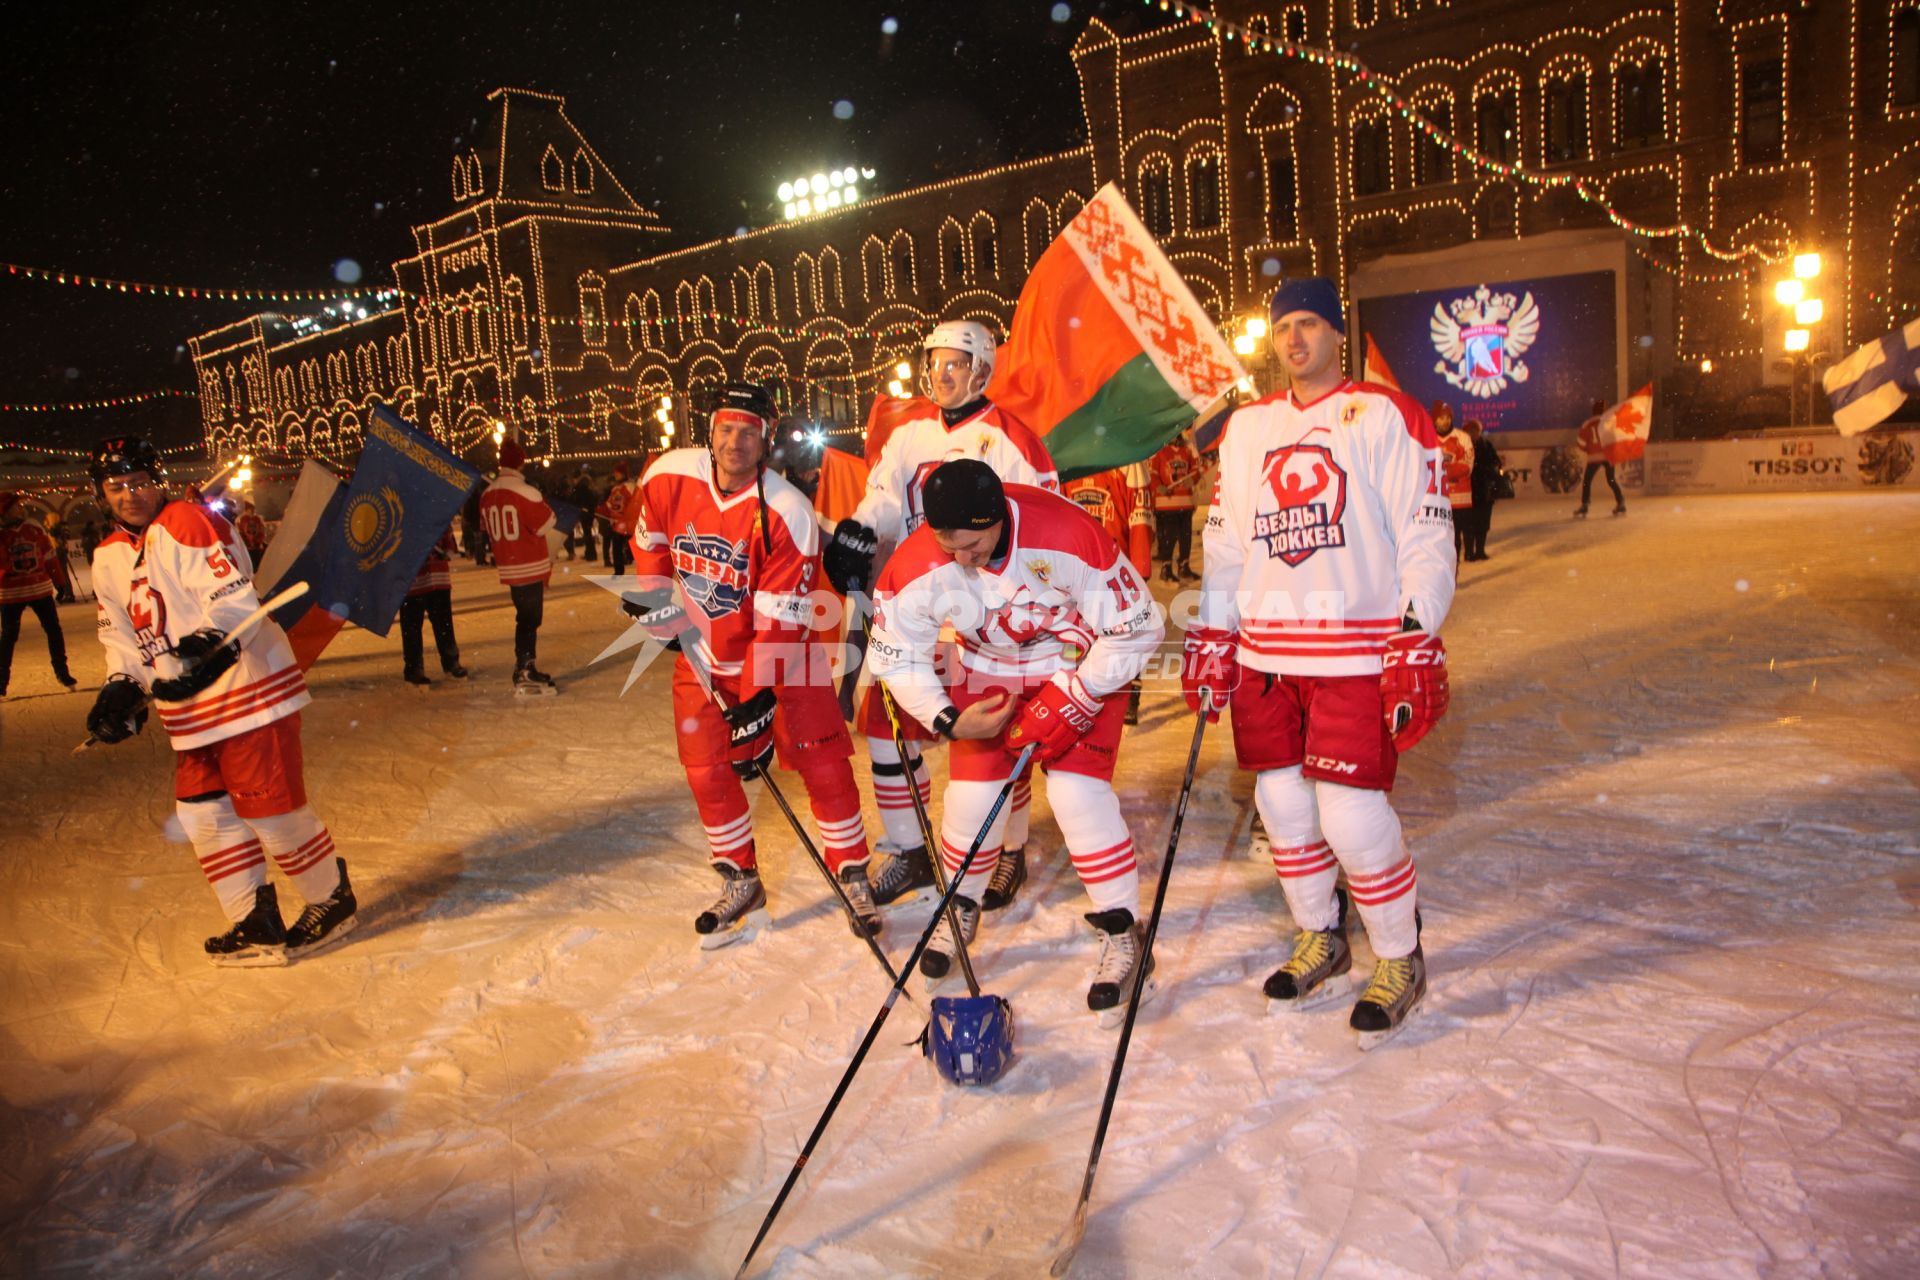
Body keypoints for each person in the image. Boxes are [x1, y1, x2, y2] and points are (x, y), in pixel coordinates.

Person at [1186, 278, 1454, 1048]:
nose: (1295, 339)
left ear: (1339, 332)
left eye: (1310, 324)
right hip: (1269, 653)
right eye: (1284, 327)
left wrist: (1415, 627)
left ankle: (1399, 954)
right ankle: (1320, 935)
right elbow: (1227, 542)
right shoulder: (1246, 429)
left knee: (1352, 814)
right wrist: (1213, 633)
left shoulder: (1385, 414)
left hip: (1356, 648)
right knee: (1284, 808)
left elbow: (1426, 530)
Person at [869, 460, 1164, 1021]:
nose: (961, 558)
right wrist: (948, 719)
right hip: (989, 668)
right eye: (947, 544)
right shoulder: (917, 563)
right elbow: (896, 656)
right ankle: (961, 903)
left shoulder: (1067, 533)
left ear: (999, 516)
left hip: (1078, 661)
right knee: (973, 799)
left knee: (1077, 797)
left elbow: (1139, 625)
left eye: (973, 544)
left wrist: (1079, 693)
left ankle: (1123, 927)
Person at [84, 436, 356, 966]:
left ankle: (332, 899)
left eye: (137, 483)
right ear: (101, 494)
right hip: (188, 713)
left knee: (273, 813)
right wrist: (122, 685)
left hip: (247, 692)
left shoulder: (187, 520)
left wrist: (211, 646)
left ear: (156, 482)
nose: (128, 495)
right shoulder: (107, 556)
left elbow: (232, 599)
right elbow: (120, 634)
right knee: (203, 817)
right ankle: (254, 920)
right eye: (115, 487)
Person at [624, 382, 879, 944]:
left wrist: (757, 699)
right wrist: (653, 600)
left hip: (785, 656)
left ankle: (852, 871)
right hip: (702, 653)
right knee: (706, 769)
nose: (735, 441)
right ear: (709, 431)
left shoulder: (786, 509)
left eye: (749, 431)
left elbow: (779, 618)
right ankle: (740, 875)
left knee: (822, 759)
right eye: (725, 428)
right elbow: (652, 543)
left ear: (765, 441)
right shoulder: (668, 476)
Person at [822, 321, 1059, 915]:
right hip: (916, 603)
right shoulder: (909, 433)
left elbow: (1042, 521)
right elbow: (881, 497)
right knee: (886, 731)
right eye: (935, 363)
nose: (941, 374)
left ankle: (1008, 846)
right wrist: (858, 529)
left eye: (954, 363)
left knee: (998, 732)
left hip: (984, 611)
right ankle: (912, 848)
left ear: (982, 368)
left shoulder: (1013, 440)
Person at [1062, 464, 1154, 723]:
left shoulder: (1129, 464)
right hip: (1075, 569)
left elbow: (1140, 517)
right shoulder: (1070, 456)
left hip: (1115, 570)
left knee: (1128, 634)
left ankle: (1130, 694)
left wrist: (1139, 568)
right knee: (1073, 635)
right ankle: (1072, 689)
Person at [479, 439, 558, 693]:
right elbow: (547, 523)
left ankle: (526, 665)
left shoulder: (487, 494)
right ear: (521, 463)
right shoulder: (526, 492)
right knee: (529, 619)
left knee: (525, 617)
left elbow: (485, 528)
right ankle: (524, 668)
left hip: (508, 565)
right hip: (529, 564)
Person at [0, 491, 77, 695]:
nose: (20, 508)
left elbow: (49, 557)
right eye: (15, 506)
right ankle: (1, 680)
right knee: (8, 637)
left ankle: (62, 671)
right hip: (11, 594)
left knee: (53, 630)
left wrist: (59, 582)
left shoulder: (33, 528)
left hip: (40, 590)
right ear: (5, 512)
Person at [400, 524, 468, 685]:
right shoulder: (398, 511)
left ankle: (451, 662)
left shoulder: (434, 504)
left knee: (443, 623)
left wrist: (448, 546)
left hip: (438, 575)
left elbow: (446, 530)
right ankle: (414, 668)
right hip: (410, 579)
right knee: (412, 626)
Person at [1150, 435, 1203, 582]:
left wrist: (1192, 480)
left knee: (1185, 537)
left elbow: (1196, 471)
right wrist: (1158, 486)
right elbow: (1152, 474)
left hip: (1185, 503)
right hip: (1166, 505)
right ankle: (1166, 568)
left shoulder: (1188, 451)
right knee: (1170, 537)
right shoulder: (1160, 452)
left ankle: (1184, 566)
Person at [1433, 402, 1474, 564]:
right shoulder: (1427, 437)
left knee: (1460, 531)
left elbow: (1467, 465)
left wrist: (1443, 472)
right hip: (1437, 498)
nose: (1445, 421)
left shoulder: (1463, 438)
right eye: (1441, 418)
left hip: (1460, 497)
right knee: (1440, 533)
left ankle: (1462, 557)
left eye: (1448, 417)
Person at [1575, 397, 1626, 517]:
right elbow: (1614, 439)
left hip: (1594, 458)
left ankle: (1585, 505)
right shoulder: (1608, 422)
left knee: (1587, 481)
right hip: (1607, 456)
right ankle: (1621, 503)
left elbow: (1580, 442)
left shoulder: (1587, 424)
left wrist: (1588, 449)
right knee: (1611, 480)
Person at [1463, 420, 1502, 561]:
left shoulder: (1486, 446)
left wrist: (1489, 469)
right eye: (1470, 431)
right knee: (1468, 524)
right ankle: (1468, 552)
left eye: (1475, 431)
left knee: (1483, 523)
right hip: (1466, 492)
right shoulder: (1461, 445)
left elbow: (1496, 462)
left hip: (1484, 491)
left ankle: (1480, 550)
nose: (1473, 434)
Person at [596, 459, 638, 578]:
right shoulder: (615, 489)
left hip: (629, 522)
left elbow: (635, 503)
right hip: (617, 523)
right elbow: (609, 505)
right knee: (617, 547)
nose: (615, 475)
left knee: (634, 546)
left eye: (617, 473)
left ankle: (644, 568)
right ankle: (618, 570)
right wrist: (599, 509)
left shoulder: (629, 487)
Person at [235, 499, 269, 566]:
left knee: (259, 561)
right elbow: (241, 533)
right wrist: (245, 543)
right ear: (247, 510)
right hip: (248, 546)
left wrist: (259, 542)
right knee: (253, 562)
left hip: (256, 545)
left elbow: (261, 531)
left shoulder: (257, 519)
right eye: (251, 510)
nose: (253, 511)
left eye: (253, 510)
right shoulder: (241, 520)